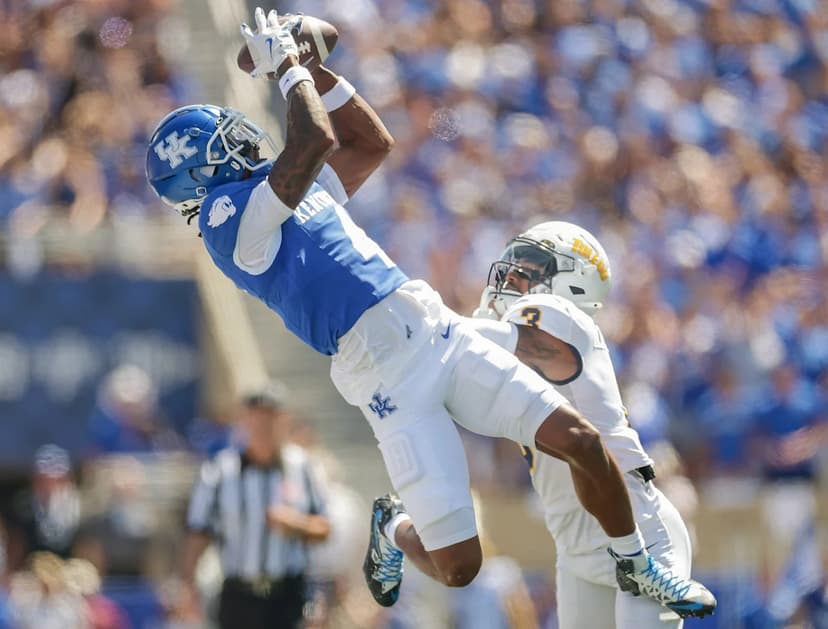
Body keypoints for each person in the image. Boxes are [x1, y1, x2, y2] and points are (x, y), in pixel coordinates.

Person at [144, 6, 713, 615]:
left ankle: (636, 561)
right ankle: (393, 528)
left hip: (436, 328)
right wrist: (287, 65)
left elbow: (369, 144)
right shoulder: (227, 222)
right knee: (459, 567)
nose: (245, 141)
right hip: (387, 377)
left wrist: (315, 70)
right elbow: (314, 141)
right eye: (228, 143)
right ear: (200, 173)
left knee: (580, 439)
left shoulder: (276, 198)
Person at [467, 220, 715, 626]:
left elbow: (522, 344)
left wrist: (429, 323)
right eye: (513, 265)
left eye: (529, 267)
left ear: (574, 281)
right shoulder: (510, 344)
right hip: (575, 549)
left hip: (640, 539)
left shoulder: (564, 323)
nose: (511, 277)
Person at [178, 381, 331, 629]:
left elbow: (324, 528)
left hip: (289, 594)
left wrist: (296, 524)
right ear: (243, 420)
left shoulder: (302, 467)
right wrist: (188, 586)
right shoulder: (220, 471)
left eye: (270, 417)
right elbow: (198, 533)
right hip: (238, 594)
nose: (263, 426)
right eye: (256, 417)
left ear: (284, 420)